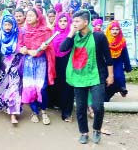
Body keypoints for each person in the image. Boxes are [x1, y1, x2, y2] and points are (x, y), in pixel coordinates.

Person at [60, 10, 113, 144]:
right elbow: (62, 49)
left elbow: (108, 57)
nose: (74, 24)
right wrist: (71, 33)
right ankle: (84, 132)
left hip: (97, 75)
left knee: (98, 106)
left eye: (77, 21)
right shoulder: (74, 37)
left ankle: (96, 129)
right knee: (81, 107)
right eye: (73, 21)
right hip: (79, 76)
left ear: (86, 22)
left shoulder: (99, 36)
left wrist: (110, 75)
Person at [19, 8, 55, 125]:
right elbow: (19, 45)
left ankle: (43, 110)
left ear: (38, 17)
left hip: (41, 62)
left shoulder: (45, 31)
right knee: (30, 87)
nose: (28, 18)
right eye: (27, 15)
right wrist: (25, 50)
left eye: (31, 15)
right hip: (28, 63)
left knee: (42, 87)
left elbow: (51, 46)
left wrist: (45, 48)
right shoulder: (23, 31)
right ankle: (34, 111)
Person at [0, 15, 24, 124]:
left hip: (15, 66)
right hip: (2, 67)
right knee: (2, 88)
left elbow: (23, 48)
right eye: (5, 24)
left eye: (9, 24)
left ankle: (13, 114)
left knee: (14, 89)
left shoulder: (18, 35)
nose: (7, 27)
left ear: (13, 25)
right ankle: (5, 106)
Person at [51, 13, 74, 122]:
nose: (63, 23)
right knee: (57, 84)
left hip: (68, 62)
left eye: (65, 21)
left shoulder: (72, 34)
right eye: (60, 21)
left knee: (67, 86)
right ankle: (58, 104)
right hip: (55, 62)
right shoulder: (53, 33)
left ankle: (66, 112)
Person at [104, 20, 131, 101]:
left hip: (118, 61)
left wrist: (127, 66)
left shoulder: (122, 41)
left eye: (117, 29)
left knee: (118, 76)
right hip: (106, 62)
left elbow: (125, 54)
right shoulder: (105, 40)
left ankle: (122, 89)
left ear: (119, 30)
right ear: (109, 30)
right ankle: (106, 97)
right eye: (113, 29)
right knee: (107, 80)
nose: (115, 31)